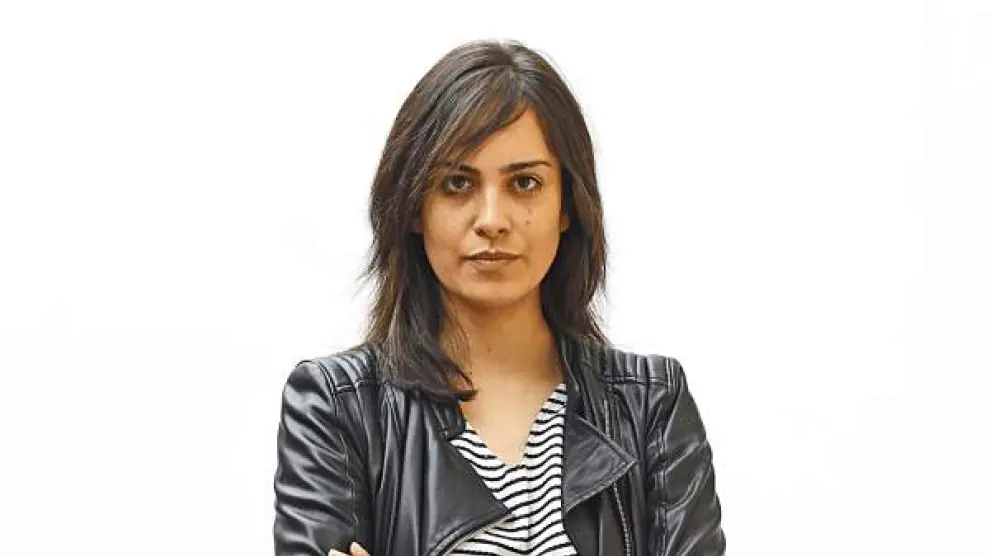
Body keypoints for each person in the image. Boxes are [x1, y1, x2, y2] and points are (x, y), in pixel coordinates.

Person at [273, 39, 726, 556]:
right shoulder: (337, 407)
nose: (492, 219)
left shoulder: (651, 407)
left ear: (567, 205)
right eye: (457, 183)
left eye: (525, 183)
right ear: (414, 207)